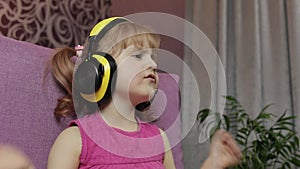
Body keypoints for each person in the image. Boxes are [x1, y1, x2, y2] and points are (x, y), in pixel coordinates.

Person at [47, 17, 242, 169]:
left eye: (153, 57)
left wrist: (212, 164)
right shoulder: (75, 139)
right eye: (138, 55)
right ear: (102, 68)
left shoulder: (158, 138)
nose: (153, 64)